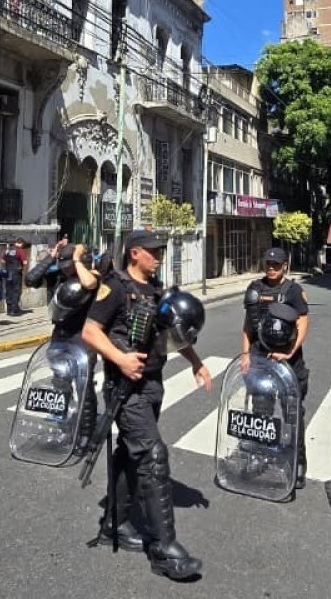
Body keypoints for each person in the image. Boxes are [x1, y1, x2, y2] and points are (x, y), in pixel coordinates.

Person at [80, 231, 211, 581]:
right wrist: (120, 359)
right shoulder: (116, 286)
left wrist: (196, 361)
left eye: (161, 252)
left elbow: (170, 332)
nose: (159, 257)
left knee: (129, 453)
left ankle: (114, 524)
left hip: (153, 384)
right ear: (134, 253)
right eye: (154, 252)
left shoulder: (156, 290)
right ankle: (164, 549)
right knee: (153, 455)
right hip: (125, 387)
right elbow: (91, 332)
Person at [240, 246, 311, 492]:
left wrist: (290, 351)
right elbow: (248, 325)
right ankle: (259, 456)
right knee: (260, 412)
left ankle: (297, 463)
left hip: (288, 360)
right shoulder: (255, 289)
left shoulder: (293, 290)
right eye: (268, 264)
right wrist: (246, 355)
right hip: (260, 358)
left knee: (292, 413)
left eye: (276, 265)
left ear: (284, 266)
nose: (271, 268)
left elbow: (303, 322)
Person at [28, 235, 102, 452]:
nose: (66, 269)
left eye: (69, 265)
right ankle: (64, 429)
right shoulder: (58, 276)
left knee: (84, 386)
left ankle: (86, 436)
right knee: (60, 385)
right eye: (64, 265)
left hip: (82, 337)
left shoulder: (91, 276)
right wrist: (51, 257)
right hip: (60, 335)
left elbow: (89, 282)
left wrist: (78, 260)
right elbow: (31, 280)